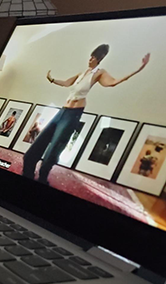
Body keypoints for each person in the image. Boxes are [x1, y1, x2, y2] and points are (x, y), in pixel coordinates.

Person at [22, 44, 150, 185]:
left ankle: (42, 180)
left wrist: (138, 70)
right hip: (62, 112)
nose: (90, 59)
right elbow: (66, 83)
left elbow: (112, 83)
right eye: (90, 56)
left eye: (94, 57)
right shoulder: (83, 73)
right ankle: (27, 175)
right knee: (34, 149)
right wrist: (51, 79)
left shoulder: (99, 73)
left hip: (73, 114)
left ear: (99, 59)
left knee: (53, 151)